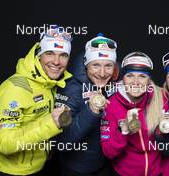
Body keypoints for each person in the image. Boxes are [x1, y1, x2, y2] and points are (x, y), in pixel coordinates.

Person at [0, 25, 73, 175]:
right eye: (50, 53)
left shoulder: (51, 82)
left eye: (63, 55)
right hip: (9, 171)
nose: (56, 61)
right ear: (39, 55)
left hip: (38, 167)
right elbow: (4, 143)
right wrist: (51, 123)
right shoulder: (15, 88)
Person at [100, 51, 169, 176]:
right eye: (130, 75)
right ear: (122, 78)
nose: (136, 82)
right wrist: (123, 130)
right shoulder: (111, 104)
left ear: (148, 79)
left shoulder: (162, 98)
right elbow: (109, 152)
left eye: (142, 76)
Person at [55, 34, 119, 176]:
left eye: (108, 65)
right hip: (76, 169)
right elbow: (62, 142)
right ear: (86, 65)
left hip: (103, 165)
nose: (102, 73)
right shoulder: (70, 89)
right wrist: (91, 111)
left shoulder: (114, 85)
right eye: (95, 65)